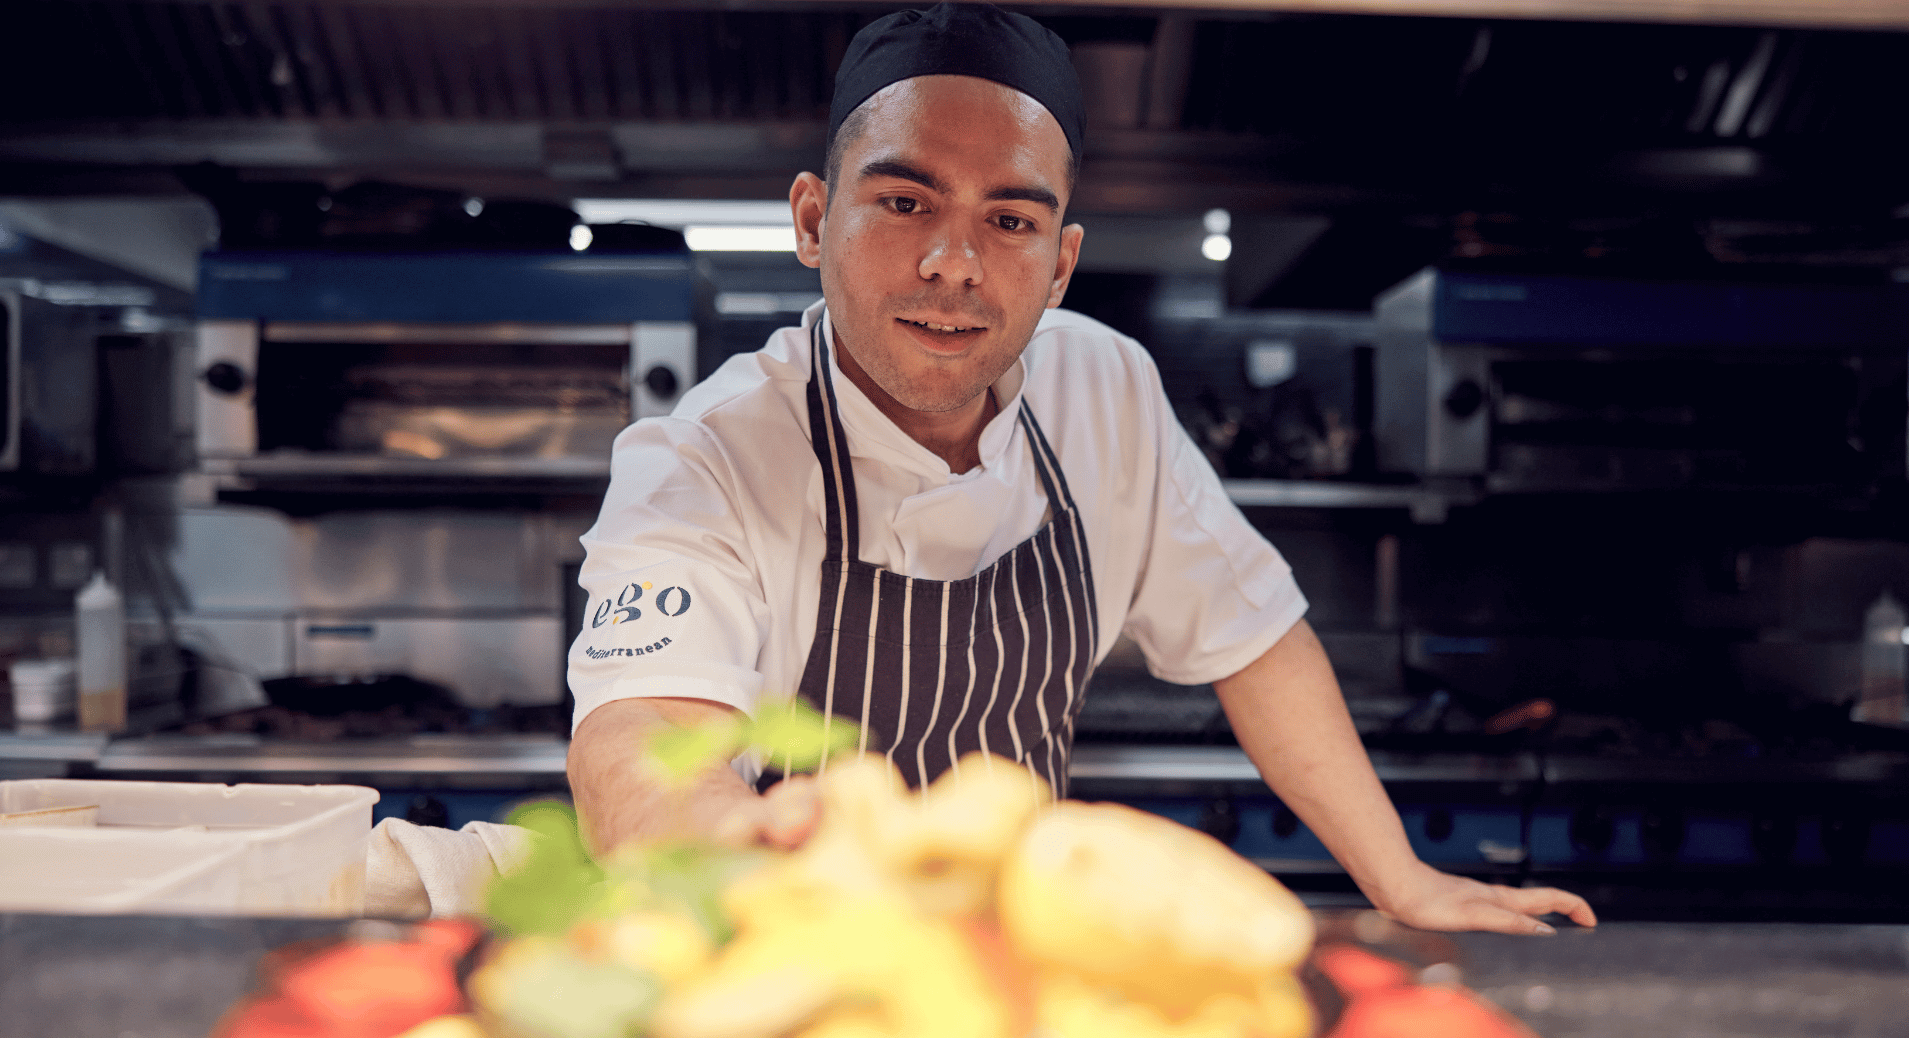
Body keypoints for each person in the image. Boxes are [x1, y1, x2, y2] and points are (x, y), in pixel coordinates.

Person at [566, 2, 1595, 937]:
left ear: (1059, 263)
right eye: (906, 203)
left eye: (1009, 220)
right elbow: (644, 748)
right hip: (790, 962)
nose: (954, 264)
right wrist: (734, 863)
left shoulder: (1106, 390)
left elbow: (1255, 638)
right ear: (809, 221)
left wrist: (1401, 879)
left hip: (1030, 968)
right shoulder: (702, 458)